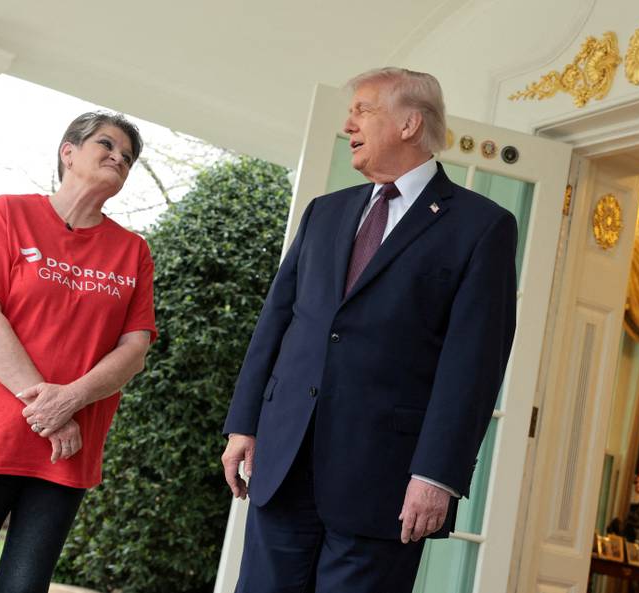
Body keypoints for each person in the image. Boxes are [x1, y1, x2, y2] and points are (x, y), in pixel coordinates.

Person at [221, 67, 518, 592]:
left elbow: (472, 365)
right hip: (285, 462)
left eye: (363, 110)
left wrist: (436, 476)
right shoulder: (324, 213)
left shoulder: (482, 226)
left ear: (409, 123)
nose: (348, 123)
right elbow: (278, 321)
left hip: (386, 482)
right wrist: (244, 423)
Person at [0, 111, 157, 593]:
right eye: (107, 145)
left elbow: (135, 348)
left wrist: (70, 401)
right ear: (68, 152)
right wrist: (51, 408)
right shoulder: (8, 214)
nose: (119, 157)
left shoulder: (133, 251)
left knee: (26, 586)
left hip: (66, 448)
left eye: (128, 157)